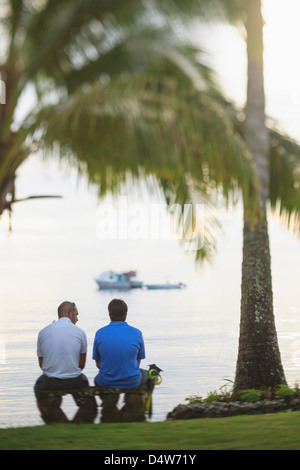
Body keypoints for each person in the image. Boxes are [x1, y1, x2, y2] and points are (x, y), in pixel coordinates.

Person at [34, 301, 96, 424]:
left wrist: (56, 371)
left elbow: (42, 365)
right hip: (75, 381)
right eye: (76, 315)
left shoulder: (43, 332)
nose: (77, 319)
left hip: (50, 382)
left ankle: (53, 420)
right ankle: (77, 425)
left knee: (38, 386)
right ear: (70, 313)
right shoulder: (80, 333)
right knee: (90, 407)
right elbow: (81, 365)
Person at [92, 298, 148, 422]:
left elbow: (98, 364)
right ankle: (135, 406)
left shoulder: (99, 333)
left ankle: (110, 405)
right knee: (147, 375)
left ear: (109, 314)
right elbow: (138, 362)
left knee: (97, 379)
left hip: (106, 380)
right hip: (132, 380)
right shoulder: (137, 333)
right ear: (126, 313)